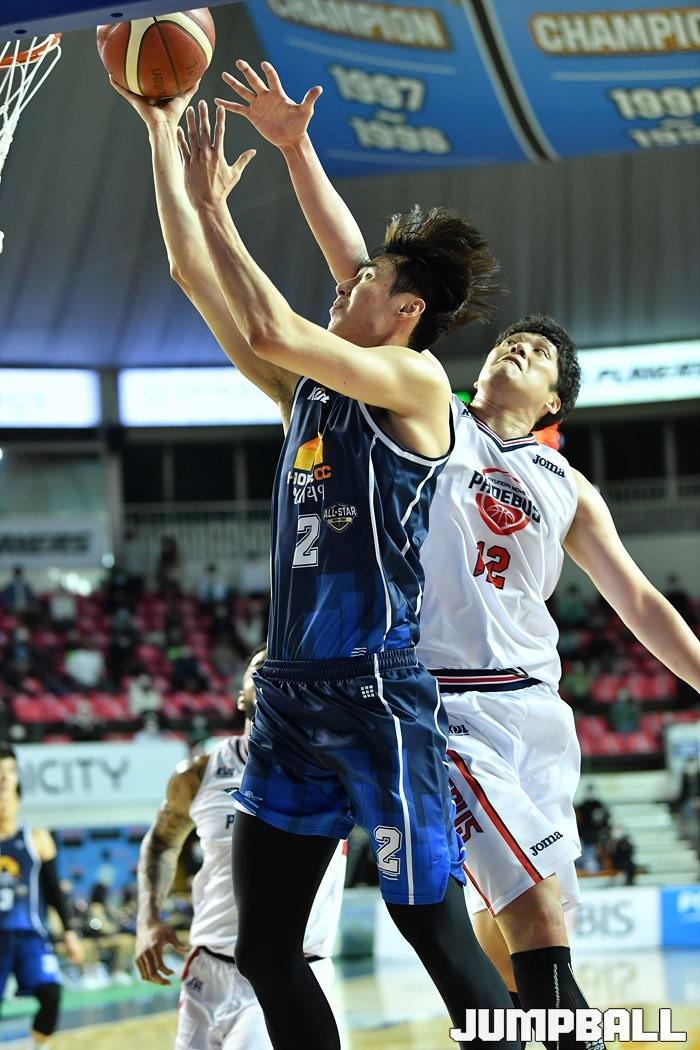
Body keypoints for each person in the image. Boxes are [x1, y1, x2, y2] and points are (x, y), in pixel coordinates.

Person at [212, 61, 700, 1050]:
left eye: (538, 354)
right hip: (441, 699)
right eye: (509, 341)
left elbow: (641, 603)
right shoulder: (437, 416)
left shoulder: (568, 487)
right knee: (532, 919)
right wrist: (297, 151)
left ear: (556, 401)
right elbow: (360, 268)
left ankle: (526, 1032)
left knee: (517, 931)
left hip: (536, 710)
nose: (516, 348)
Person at [112, 70, 516, 1050]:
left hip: (376, 693)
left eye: (361, 284)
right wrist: (163, 134)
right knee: (263, 948)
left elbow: (269, 323)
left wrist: (221, 208)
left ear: (405, 311)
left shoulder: (417, 383)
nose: (343, 284)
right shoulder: (310, 395)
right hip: (290, 698)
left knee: (432, 931)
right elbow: (192, 275)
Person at [134, 649, 347, 1050]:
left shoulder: (334, 769)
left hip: (292, 971)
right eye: (261, 667)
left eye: (284, 669)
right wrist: (148, 919)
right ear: (239, 696)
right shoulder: (199, 773)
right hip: (206, 971)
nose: (272, 674)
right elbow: (160, 841)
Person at [0, 743, 84, 1049]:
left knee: (51, 994)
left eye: (9, 794)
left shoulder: (36, 838)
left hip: (30, 936)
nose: (3, 799)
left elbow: (53, 890)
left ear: (18, 799)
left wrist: (69, 932)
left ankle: (39, 1046)